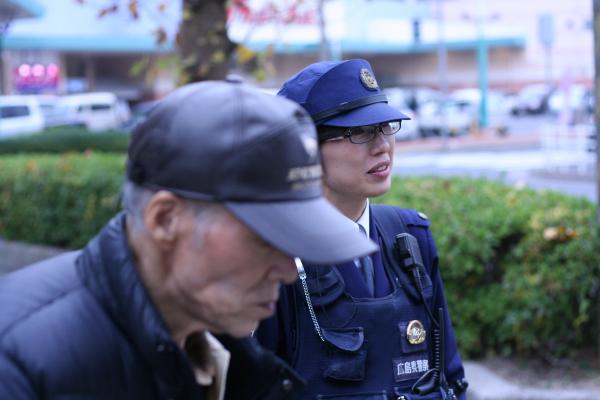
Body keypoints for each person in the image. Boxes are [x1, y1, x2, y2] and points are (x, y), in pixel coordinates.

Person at [0, 80, 378, 400]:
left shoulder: (224, 351)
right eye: (265, 239)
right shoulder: (20, 364)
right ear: (165, 220)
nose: (287, 271)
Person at [255, 59, 468, 400]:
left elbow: (451, 377)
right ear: (304, 149)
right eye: (361, 132)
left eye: (386, 127)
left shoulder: (411, 237)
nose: (382, 145)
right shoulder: (276, 255)